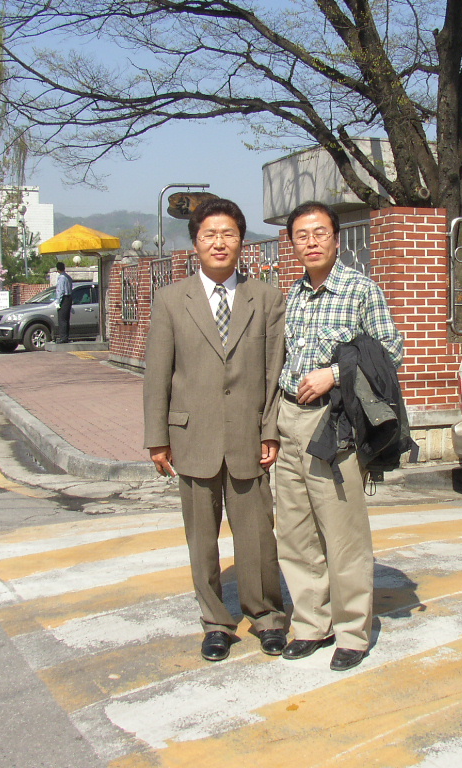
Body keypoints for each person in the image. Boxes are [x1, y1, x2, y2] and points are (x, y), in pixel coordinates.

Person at [143, 197, 289, 662]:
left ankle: (267, 616)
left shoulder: (266, 298)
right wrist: (157, 438)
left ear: (242, 241)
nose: (219, 242)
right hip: (192, 436)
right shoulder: (171, 299)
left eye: (228, 234)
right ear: (196, 244)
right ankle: (215, 622)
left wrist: (271, 430)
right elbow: (157, 373)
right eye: (210, 235)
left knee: (258, 536)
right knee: (201, 540)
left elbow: (274, 371)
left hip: (249, 436)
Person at [276, 200, 403, 671]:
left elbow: (391, 350)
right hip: (287, 418)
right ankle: (312, 624)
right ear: (293, 244)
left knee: (343, 532)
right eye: (302, 235)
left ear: (336, 238)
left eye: (320, 233)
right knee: (295, 531)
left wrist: (333, 373)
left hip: (333, 423)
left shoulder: (360, 289)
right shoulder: (291, 294)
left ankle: (352, 631)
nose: (311, 243)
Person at [55, 261, 73, 343]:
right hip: (69, 297)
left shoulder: (61, 277)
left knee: (62, 319)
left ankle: (63, 337)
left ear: (57, 269)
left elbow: (60, 290)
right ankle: (66, 336)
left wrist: (58, 301)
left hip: (64, 298)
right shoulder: (68, 277)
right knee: (66, 319)